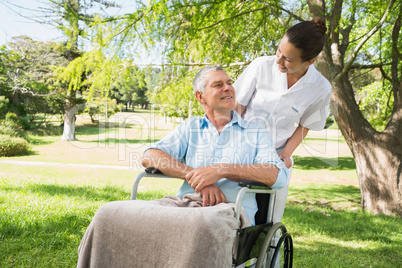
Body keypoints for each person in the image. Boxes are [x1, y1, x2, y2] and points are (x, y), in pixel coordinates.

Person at [76, 66, 289, 268]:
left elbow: (276, 175)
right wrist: (196, 178)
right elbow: (150, 156)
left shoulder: (254, 131)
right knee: (108, 213)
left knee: (202, 226)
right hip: (184, 204)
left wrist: (220, 170)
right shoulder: (191, 127)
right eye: (218, 84)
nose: (228, 88)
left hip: (230, 209)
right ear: (200, 96)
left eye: (229, 82)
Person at [233, 17, 332, 224]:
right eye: (279, 51)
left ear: (310, 61)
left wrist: (286, 154)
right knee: (235, 215)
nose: (278, 60)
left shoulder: (321, 88)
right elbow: (237, 107)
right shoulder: (261, 66)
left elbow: (306, 125)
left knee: (267, 220)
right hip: (240, 152)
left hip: (275, 159)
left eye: (288, 59)